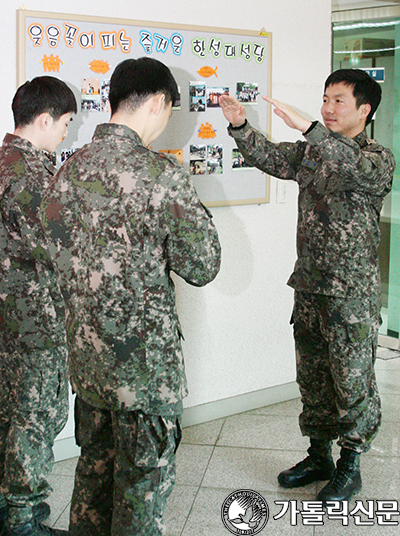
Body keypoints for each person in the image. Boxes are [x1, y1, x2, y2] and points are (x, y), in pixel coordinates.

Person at [41, 57, 221, 536]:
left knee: (94, 478)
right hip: (144, 374)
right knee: (141, 490)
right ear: (159, 102)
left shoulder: (66, 171)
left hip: (88, 365)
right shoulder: (160, 175)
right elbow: (203, 266)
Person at [219, 68, 395, 503]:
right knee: (314, 378)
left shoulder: (377, 158)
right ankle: (319, 456)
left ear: (364, 110)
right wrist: (240, 125)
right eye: (325, 99)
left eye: (338, 101)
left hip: (350, 295)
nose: (327, 108)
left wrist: (313, 130)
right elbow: (272, 157)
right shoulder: (312, 153)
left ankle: (351, 464)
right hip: (310, 286)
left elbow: (348, 164)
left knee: (352, 383)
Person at [0, 76, 77, 535]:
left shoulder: (8, 162)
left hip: (14, 313)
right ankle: (23, 519)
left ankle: (13, 504)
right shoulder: (27, 174)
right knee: (37, 414)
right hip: (35, 318)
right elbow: (54, 246)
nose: (66, 132)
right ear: (44, 119)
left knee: (13, 410)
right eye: (65, 123)